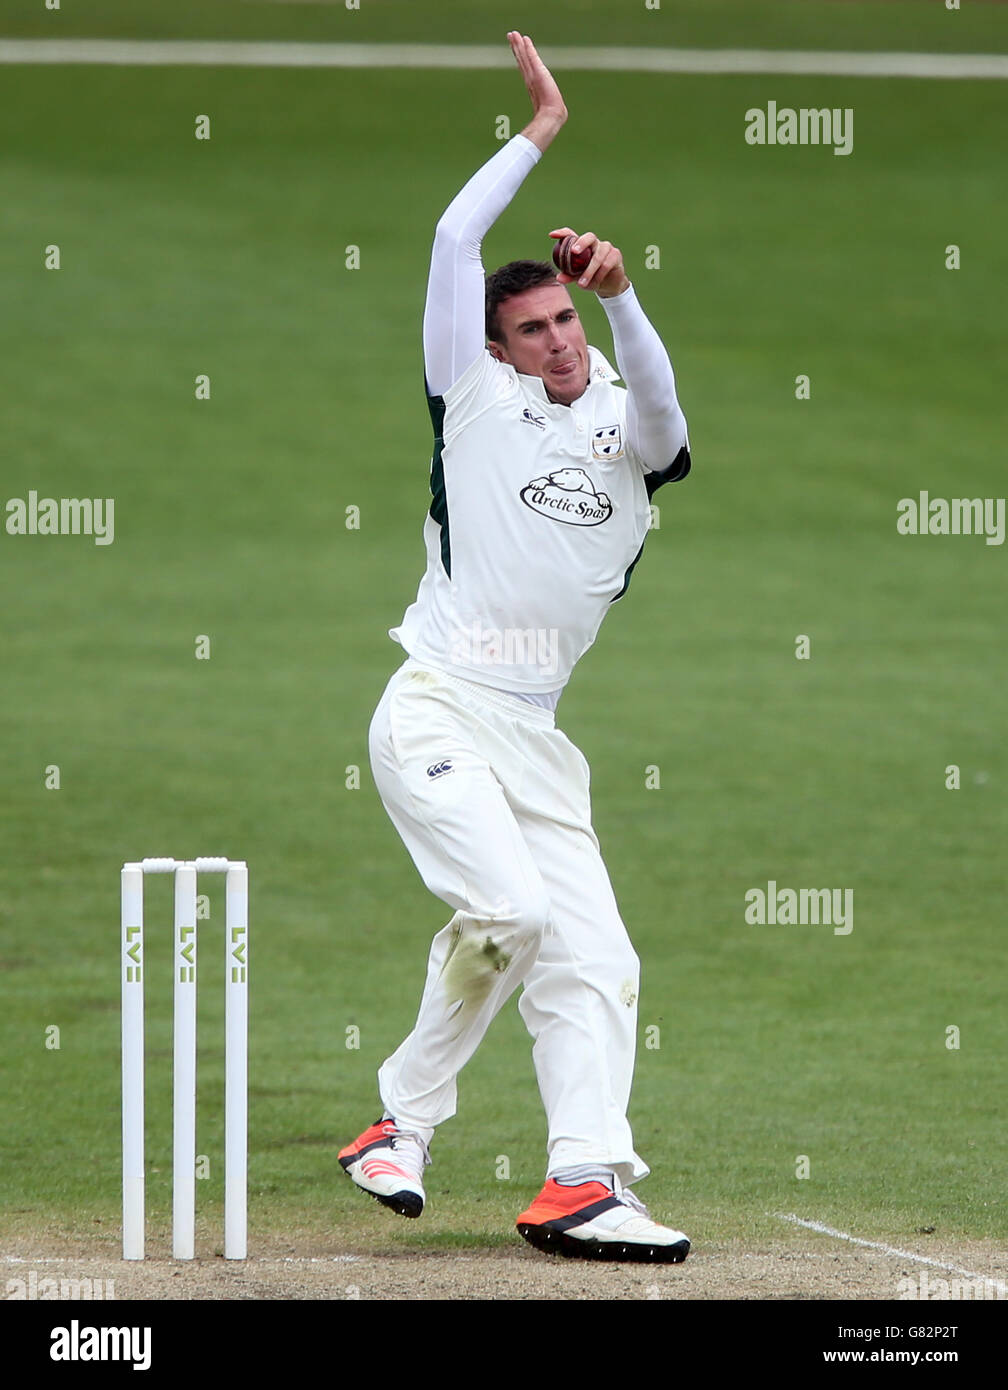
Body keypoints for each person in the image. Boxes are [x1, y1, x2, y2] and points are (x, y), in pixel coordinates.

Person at [340, 33, 692, 1263]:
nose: (557, 340)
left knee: (595, 953)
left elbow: (665, 414)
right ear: (492, 350)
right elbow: (450, 244)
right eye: (533, 327)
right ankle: (402, 1116)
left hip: (535, 738)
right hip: (437, 704)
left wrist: (622, 294)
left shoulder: (627, 428)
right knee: (506, 909)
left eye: (564, 320)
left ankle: (583, 1183)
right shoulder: (472, 398)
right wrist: (539, 133)